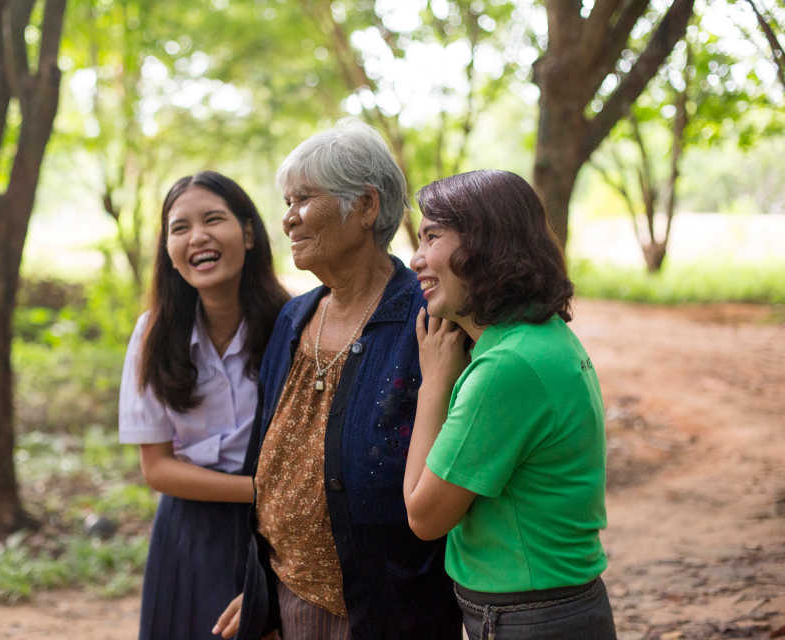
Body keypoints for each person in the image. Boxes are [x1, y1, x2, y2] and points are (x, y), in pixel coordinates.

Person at [213, 120, 461, 640]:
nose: (287, 219)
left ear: (366, 206)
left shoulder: (427, 319)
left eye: (303, 198)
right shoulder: (294, 317)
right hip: (288, 596)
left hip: (390, 611)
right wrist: (261, 590)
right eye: (286, 201)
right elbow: (272, 466)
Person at [403, 169, 617, 639]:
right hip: (555, 607)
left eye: (432, 236)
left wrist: (434, 383)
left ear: (485, 243)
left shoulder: (506, 367)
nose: (416, 258)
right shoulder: (542, 337)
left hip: (530, 619)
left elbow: (424, 516)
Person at [119, 171, 288, 640]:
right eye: (180, 227)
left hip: (277, 529)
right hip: (188, 531)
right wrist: (256, 489)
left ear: (249, 233)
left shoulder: (292, 324)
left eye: (214, 219)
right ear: (168, 252)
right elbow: (156, 469)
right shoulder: (153, 335)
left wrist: (271, 504)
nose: (198, 237)